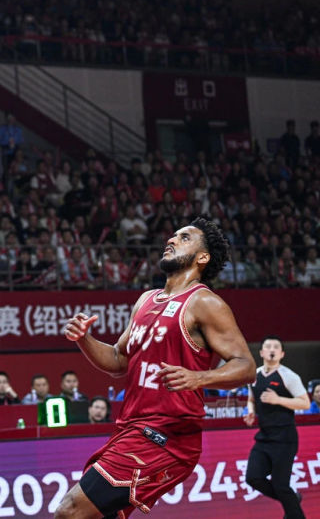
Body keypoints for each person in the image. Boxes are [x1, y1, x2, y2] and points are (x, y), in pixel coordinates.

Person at [54, 218, 255, 518]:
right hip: (130, 428)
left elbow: (246, 366)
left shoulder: (204, 302)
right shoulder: (145, 300)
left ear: (202, 257)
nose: (171, 240)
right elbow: (118, 361)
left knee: (70, 511)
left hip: (166, 436)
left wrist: (199, 377)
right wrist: (84, 339)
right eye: (173, 235)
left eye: (184, 238)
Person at [242, 336, 309, 519]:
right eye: (268, 346)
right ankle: (292, 499)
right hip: (264, 437)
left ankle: (294, 511)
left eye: (276, 347)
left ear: (282, 354)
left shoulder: (289, 376)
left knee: (280, 485)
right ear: (261, 352)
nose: (272, 350)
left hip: (285, 439)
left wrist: (278, 399)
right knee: (253, 478)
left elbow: (305, 403)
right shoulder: (254, 376)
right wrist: (251, 411)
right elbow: (251, 399)